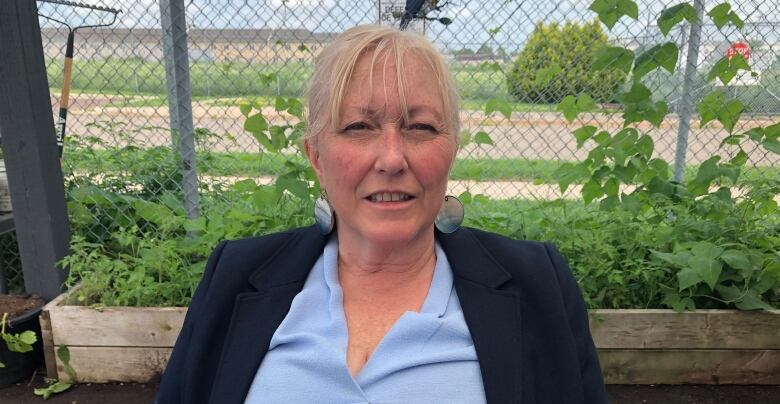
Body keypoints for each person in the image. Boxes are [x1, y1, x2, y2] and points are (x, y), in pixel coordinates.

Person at [156, 25, 607, 404]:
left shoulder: (538, 282)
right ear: (316, 156)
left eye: (421, 127)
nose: (391, 159)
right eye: (358, 127)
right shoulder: (235, 274)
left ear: (452, 149)